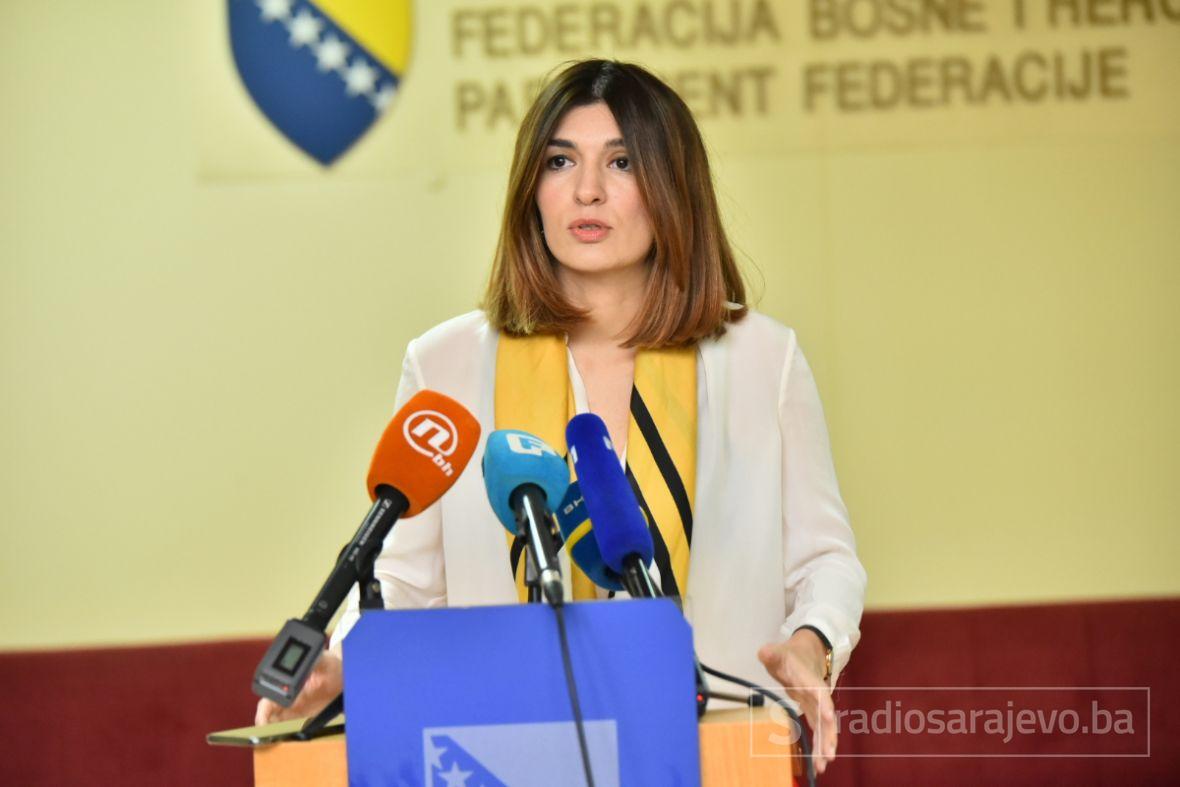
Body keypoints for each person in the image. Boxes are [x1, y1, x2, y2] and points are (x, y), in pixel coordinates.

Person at [256, 59, 865, 775]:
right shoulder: (446, 362)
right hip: (505, 752)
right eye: (560, 161)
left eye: (622, 162)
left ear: (674, 186)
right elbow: (405, 581)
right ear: (531, 189)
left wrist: (812, 642)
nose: (587, 190)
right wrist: (344, 663)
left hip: (716, 750)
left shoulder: (762, 357)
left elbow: (824, 558)